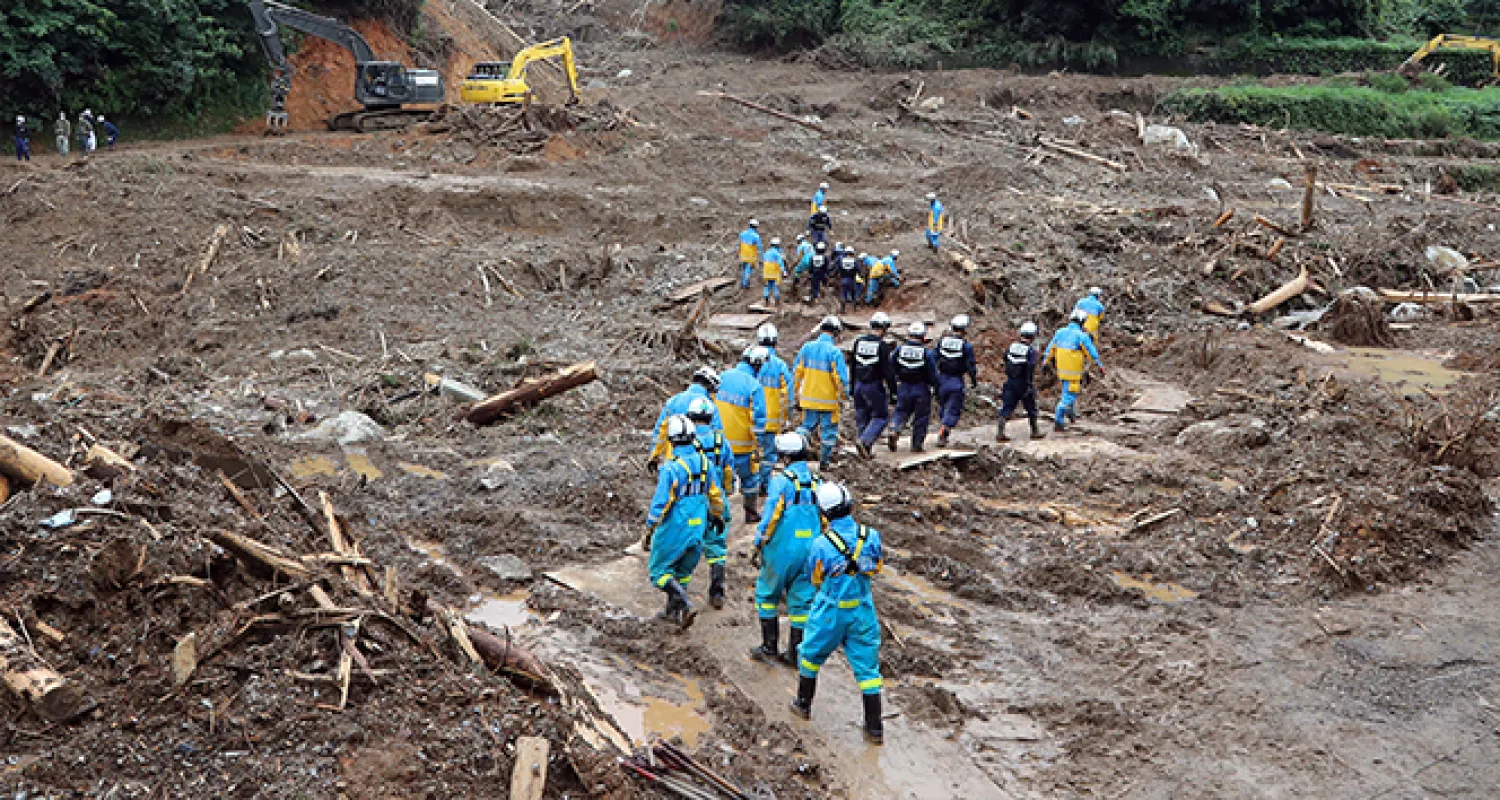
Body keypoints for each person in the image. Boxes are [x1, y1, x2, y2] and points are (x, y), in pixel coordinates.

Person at [790, 482, 886, 744]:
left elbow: (815, 578)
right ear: (851, 505)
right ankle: (875, 727)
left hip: (831, 610)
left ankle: (803, 703)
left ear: (824, 513)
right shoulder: (871, 535)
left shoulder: (821, 543)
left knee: (810, 654)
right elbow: (877, 567)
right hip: (863, 609)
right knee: (867, 669)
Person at [749, 431, 821, 666]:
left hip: (782, 549)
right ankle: (794, 654)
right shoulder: (817, 482)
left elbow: (771, 516)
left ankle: (769, 646)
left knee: (767, 594)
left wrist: (759, 542)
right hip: (811, 549)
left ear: (785, 456)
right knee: (802, 601)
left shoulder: (781, 481)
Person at [644, 415, 711, 630]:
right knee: (682, 572)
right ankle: (671, 612)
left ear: (672, 441)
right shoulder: (704, 462)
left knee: (659, 571)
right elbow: (715, 493)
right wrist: (718, 516)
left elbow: (661, 502)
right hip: (698, 524)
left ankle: (683, 603)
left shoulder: (671, 468)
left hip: (676, 525)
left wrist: (650, 526)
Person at [688, 397, 735, 609]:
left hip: (695, 498)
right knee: (717, 545)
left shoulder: (686, 442)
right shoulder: (720, 440)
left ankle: (679, 597)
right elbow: (728, 470)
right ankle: (717, 591)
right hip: (716, 496)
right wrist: (727, 491)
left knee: (687, 543)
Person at [716, 347, 769, 522]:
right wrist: (759, 443)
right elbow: (759, 418)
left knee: (719, 480)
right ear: (757, 365)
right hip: (743, 445)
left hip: (719, 443)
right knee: (750, 479)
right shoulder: (753, 386)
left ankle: (718, 516)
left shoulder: (722, 377)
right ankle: (750, 512)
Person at [793, 316, 850, 470]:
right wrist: (845, 396)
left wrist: (795, 393)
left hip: (808, 399)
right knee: (828, 434)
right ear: (836, 332)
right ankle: (824, 463)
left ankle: (792, 452)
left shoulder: (807, 348)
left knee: (805, 428)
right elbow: (841, 379)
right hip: (828, 402)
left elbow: (797, 372)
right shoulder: (834, 352)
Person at [1044, 310, 1106, 432]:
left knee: (1066, 390)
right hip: (1073, 372)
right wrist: (1099, 366)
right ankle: (1059, 420)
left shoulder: (1060, 332)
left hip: (1061, 370)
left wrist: (1045, 362)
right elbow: (1091, 352)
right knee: (1069, 396)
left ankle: (1071, 415)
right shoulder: (1081, 336)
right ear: (1082, 322)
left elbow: (1050, 348)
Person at [752, 324, 793, 497]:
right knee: (769, 454)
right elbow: (787, 394)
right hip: (772, 418)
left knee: (752, 451)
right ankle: (764, 482)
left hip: (752, 417)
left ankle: (750, 483)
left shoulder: (751, 362)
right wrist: (786, 417)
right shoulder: (780, 366)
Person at [649, 367, 722, 464]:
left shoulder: (673, 401)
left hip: (673, 461)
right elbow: (718, 436)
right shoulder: (709, 406)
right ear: (710, 386)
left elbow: (660, 431)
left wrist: (654, 456)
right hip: (701, 464)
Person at [851, 312, 897, 458]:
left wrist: (852, 387)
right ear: (883, 328)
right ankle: (865, 441)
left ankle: (864, 449)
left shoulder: (859, 342)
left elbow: (852, 365)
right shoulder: (881, 346)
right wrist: (893, 391)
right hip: (873, 386)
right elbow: (887, 371)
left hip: (858, 384)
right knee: (881, 416)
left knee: (862, 414)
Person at [887, 322, 938, 453]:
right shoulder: (926, 353)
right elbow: (932, 373)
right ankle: (916, 444)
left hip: (904, 387)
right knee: (921, 417)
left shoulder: (899, 350)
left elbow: (891, 367)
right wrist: (935, 387)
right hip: (921, 388)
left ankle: (894, 429)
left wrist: (896, 381)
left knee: (901, 411)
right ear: (923, 336)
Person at [997, 322, 1046, 441]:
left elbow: (1005, 359)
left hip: (1010, 381)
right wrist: (1029, 384)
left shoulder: (1012, 347)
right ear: (1033, 336)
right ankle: (1035, 431)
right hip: (1023, 383)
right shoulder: (1031, 351)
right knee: (1031, 407)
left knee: (1007, 407)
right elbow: (1031, 367)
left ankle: (1000, 431)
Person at [934, 314, 978, 448]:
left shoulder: (942, 342)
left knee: (943, 405)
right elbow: (970, 365)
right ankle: (944, 430)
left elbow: (932, 359)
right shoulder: (966, 346)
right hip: (956, 381)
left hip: (941, 379)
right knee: (953, 408)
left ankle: (942, 426)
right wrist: (974, 380)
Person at [738, 219, 762, 288]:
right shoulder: (756, 236)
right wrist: (761, 257)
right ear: (756, 227)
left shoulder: (742, 233)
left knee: (744, 268)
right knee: (748, 269)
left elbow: (740, 243)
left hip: (743, 254)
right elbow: (760, 247)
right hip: (750, 255)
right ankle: (745, 284)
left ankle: (745, 282)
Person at [762, 237, 785, 305]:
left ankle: (766, 299)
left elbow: (764, 261)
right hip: (774, 272)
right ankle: (777, 301)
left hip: (766, 272)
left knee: (767, 286)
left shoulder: (766, 252)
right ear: (778, 245)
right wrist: (784, 272)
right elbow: (780, 263)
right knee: (775, 286)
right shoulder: (777, 253)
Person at [837, 249, 862, 313]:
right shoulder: (855, 261)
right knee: (853, 294)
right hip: (852, 279)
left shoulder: (841, 261)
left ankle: (842, 309)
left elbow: (838, 269)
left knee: (843, 294)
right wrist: (860, 275)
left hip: (843, 279)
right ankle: (855, 309)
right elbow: (858, 269)